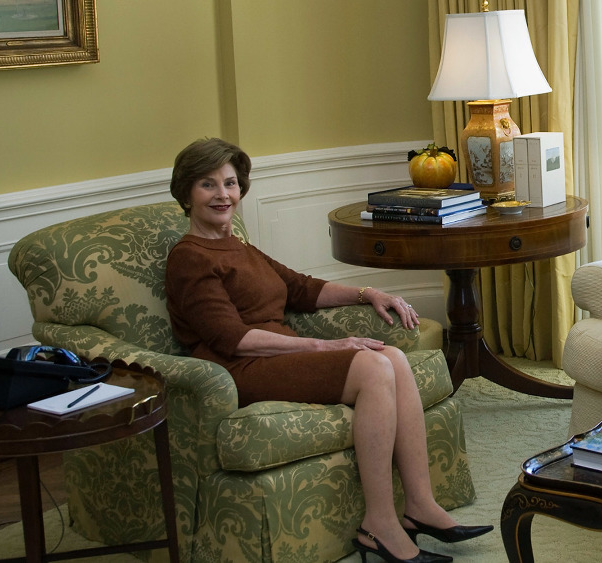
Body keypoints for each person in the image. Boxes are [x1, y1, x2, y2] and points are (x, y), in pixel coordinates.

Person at [164, 138, 491, 563]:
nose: (223, 195)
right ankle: (379, 524)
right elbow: (232, 339)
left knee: (393, 358)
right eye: (208, 185)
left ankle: (420, 505)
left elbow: (300, 288)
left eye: (230, 183)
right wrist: (325, 344)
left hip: (275, 356)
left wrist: (367, 293)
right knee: (373, 368)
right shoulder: (189, 257)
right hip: (238, 368)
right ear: (187, 194)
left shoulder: (238, 246)